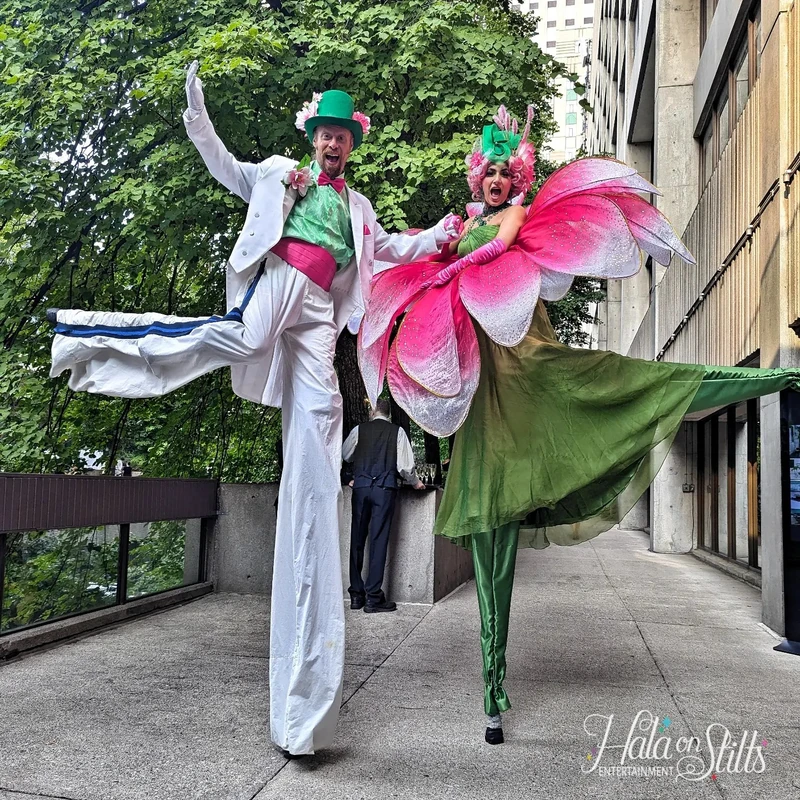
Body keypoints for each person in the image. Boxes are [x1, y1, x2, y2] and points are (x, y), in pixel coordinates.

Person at [47, 63, 463, 757]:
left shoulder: (357, 208)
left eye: (342, 138)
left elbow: (392, 251)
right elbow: (223, 165)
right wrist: (195, 114)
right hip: (280, 285)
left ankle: (304, 701)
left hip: (322, 312)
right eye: (325, 135)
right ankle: (95, 337)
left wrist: (445, 232)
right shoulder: (277, 174)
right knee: (236, 336)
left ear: (352, 145)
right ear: (313, 139)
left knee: (323, 420)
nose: (333, 146)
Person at [359, 105, 800, 745]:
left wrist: (450, 257)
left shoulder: (510, 221)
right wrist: (431, 249)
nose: (498, 182)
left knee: (637, 385)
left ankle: (779, 379)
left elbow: (501, 245)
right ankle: (491, 689)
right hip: (487, 414)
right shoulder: (460, 228)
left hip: (536, 380)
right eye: (490, 174)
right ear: (476, 177)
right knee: (489, 555)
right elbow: (422, 263)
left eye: (509, 174)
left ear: (518, 181)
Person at [342, 397, 424, 613]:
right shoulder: (397, 432)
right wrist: (415, 482)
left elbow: (345, 454)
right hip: (384, 490)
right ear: (388, 413)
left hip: (360, 488)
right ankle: (373, 598)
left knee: (357, 541)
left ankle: (356, 595)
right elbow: (405, 467)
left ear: (372, 411)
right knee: (378, 541)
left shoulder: (360, 430)